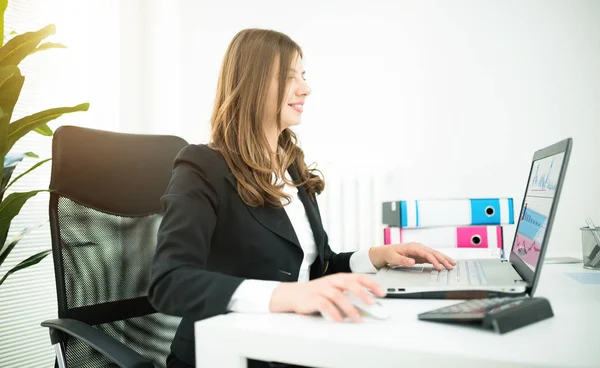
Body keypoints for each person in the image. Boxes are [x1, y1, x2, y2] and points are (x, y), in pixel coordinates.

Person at [148, 28, 456, 368]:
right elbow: (170, 281)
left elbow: (313, 270)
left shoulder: (291, 163)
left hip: (290, 345)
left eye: (303, 76)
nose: (305, 88)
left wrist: (377, 256)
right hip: (226, 354)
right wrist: (287, 296)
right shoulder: (202, 165)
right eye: (289, 76)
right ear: (251, 82)